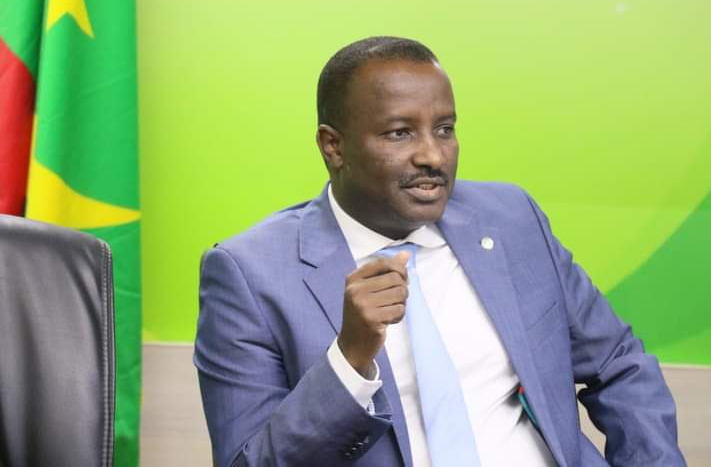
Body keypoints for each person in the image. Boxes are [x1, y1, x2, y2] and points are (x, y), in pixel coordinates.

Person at [194, 37, 685, 466]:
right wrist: (349, 361)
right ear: (333, 147)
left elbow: (618, 363)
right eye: (400, 132)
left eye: (445, 129)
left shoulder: (511, 219)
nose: (433, 155)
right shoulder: (249, 274)